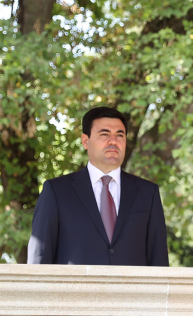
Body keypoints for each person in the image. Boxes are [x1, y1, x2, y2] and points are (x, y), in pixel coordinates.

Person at [27, 106, 169, 266]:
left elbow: (159, 261)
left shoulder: (148, 193)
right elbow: (39, 259)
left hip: (133, 291)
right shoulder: (56, 192)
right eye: (104, 134)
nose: (113, 141)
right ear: (85, 141)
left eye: (120, 135)